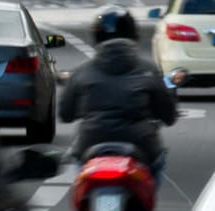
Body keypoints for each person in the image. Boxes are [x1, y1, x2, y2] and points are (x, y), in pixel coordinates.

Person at [57, 6, 177, 173]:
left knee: (80, 174)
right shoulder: (148, 69)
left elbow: (65, 113)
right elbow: (168, 114)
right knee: (157, 164)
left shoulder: (81, 71)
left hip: (90, 142)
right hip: (141, 143)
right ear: (134, 34)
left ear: (97, 36)